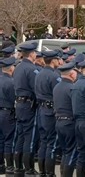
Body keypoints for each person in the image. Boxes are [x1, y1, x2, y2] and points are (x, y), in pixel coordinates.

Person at [12, 42, 40, 177]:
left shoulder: (18, 67)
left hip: (19, 104)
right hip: (29, 105)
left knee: (21, 136)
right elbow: (36, 89)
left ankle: (18, 168)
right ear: (32, 54)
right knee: (30, 137)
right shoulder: (31, 69)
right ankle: (29, 168)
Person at [34, 50, 62, 177]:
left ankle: (42, 171)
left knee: (44, 141)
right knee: (51, 143)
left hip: (41, 110)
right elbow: (58, 94)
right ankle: (50, 172)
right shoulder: (54, 76)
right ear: (54, 61)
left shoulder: (39, 74)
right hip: (50, 111)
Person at [53, 61, 78, 177]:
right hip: (69, 122)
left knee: (65, 152)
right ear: (72, 74)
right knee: (72, 152)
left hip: (59, 122)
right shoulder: (72, 88)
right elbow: (75, 108)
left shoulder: (57, 87)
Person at [0, 57, 16, 176]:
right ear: (11, 68)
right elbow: (13, 99)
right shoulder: (11, 82)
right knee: (8, 139)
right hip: (7, 112)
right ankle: (9, 166)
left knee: (0, 139)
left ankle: (1, 165)